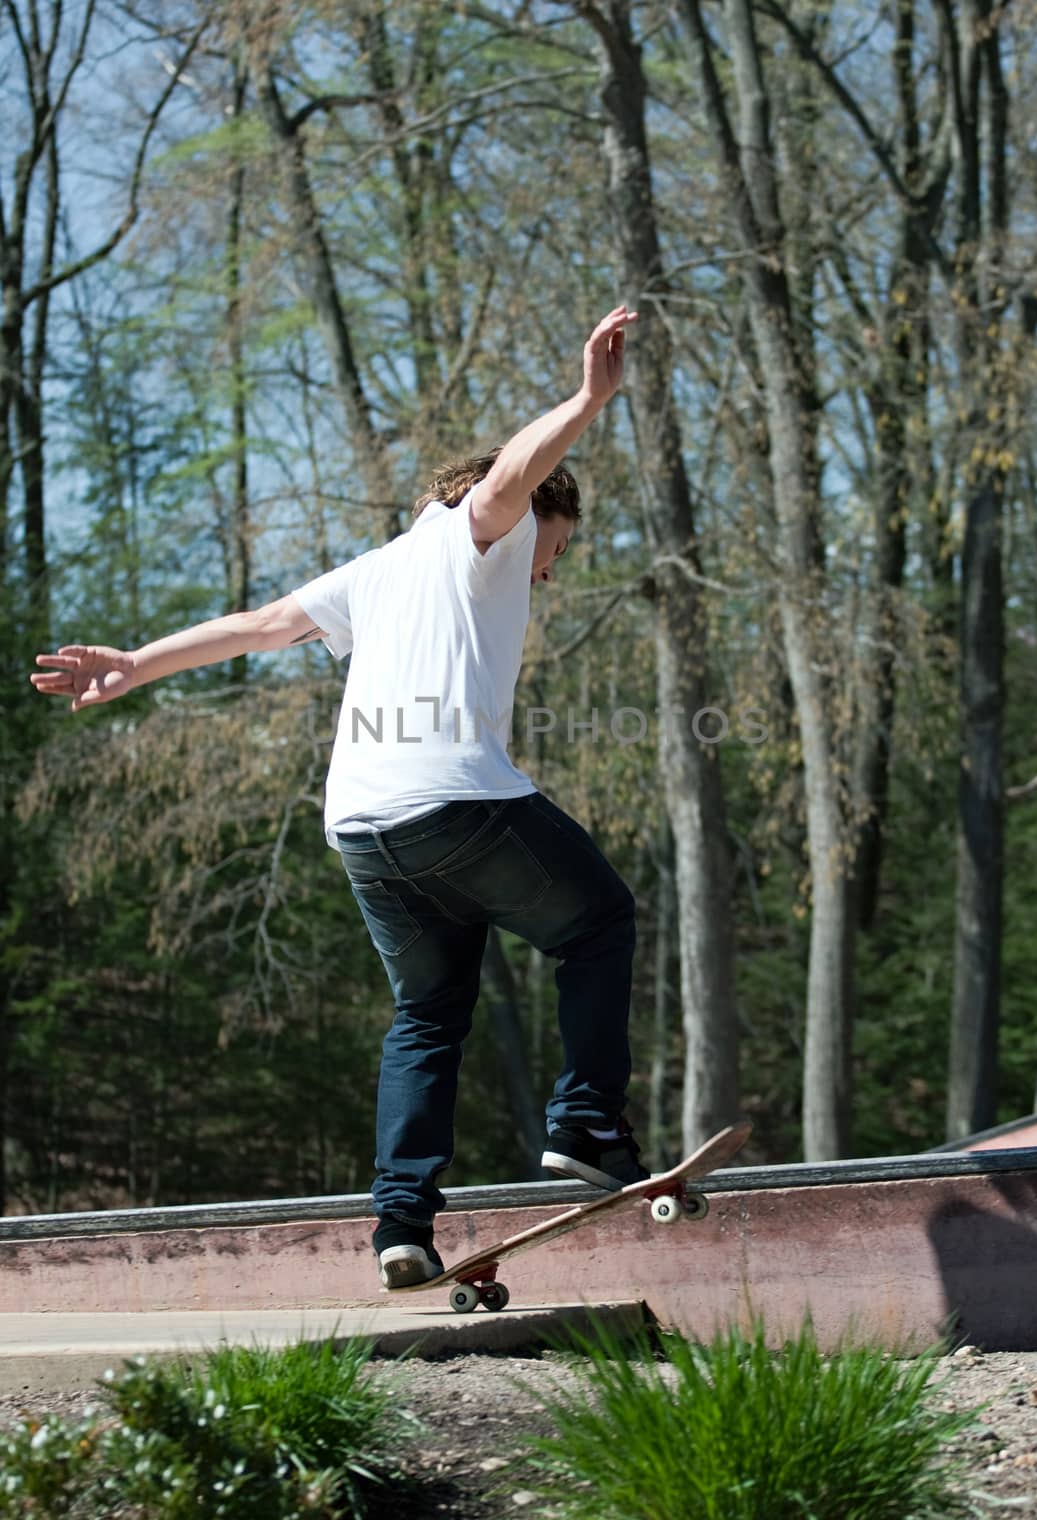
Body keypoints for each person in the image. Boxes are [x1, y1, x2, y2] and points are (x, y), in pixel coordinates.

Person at [31, 303, 646, 1289]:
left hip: (362, 828)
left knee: (426, 1013)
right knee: (598, 921)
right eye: (556, 549)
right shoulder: (480, 531)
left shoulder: (373, 570)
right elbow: (505, 480)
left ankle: (399, 1224)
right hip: (454, 799)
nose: (548, 568)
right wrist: (584, 399)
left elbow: (261, 625)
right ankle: (585, 1120)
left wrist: (137, 664)